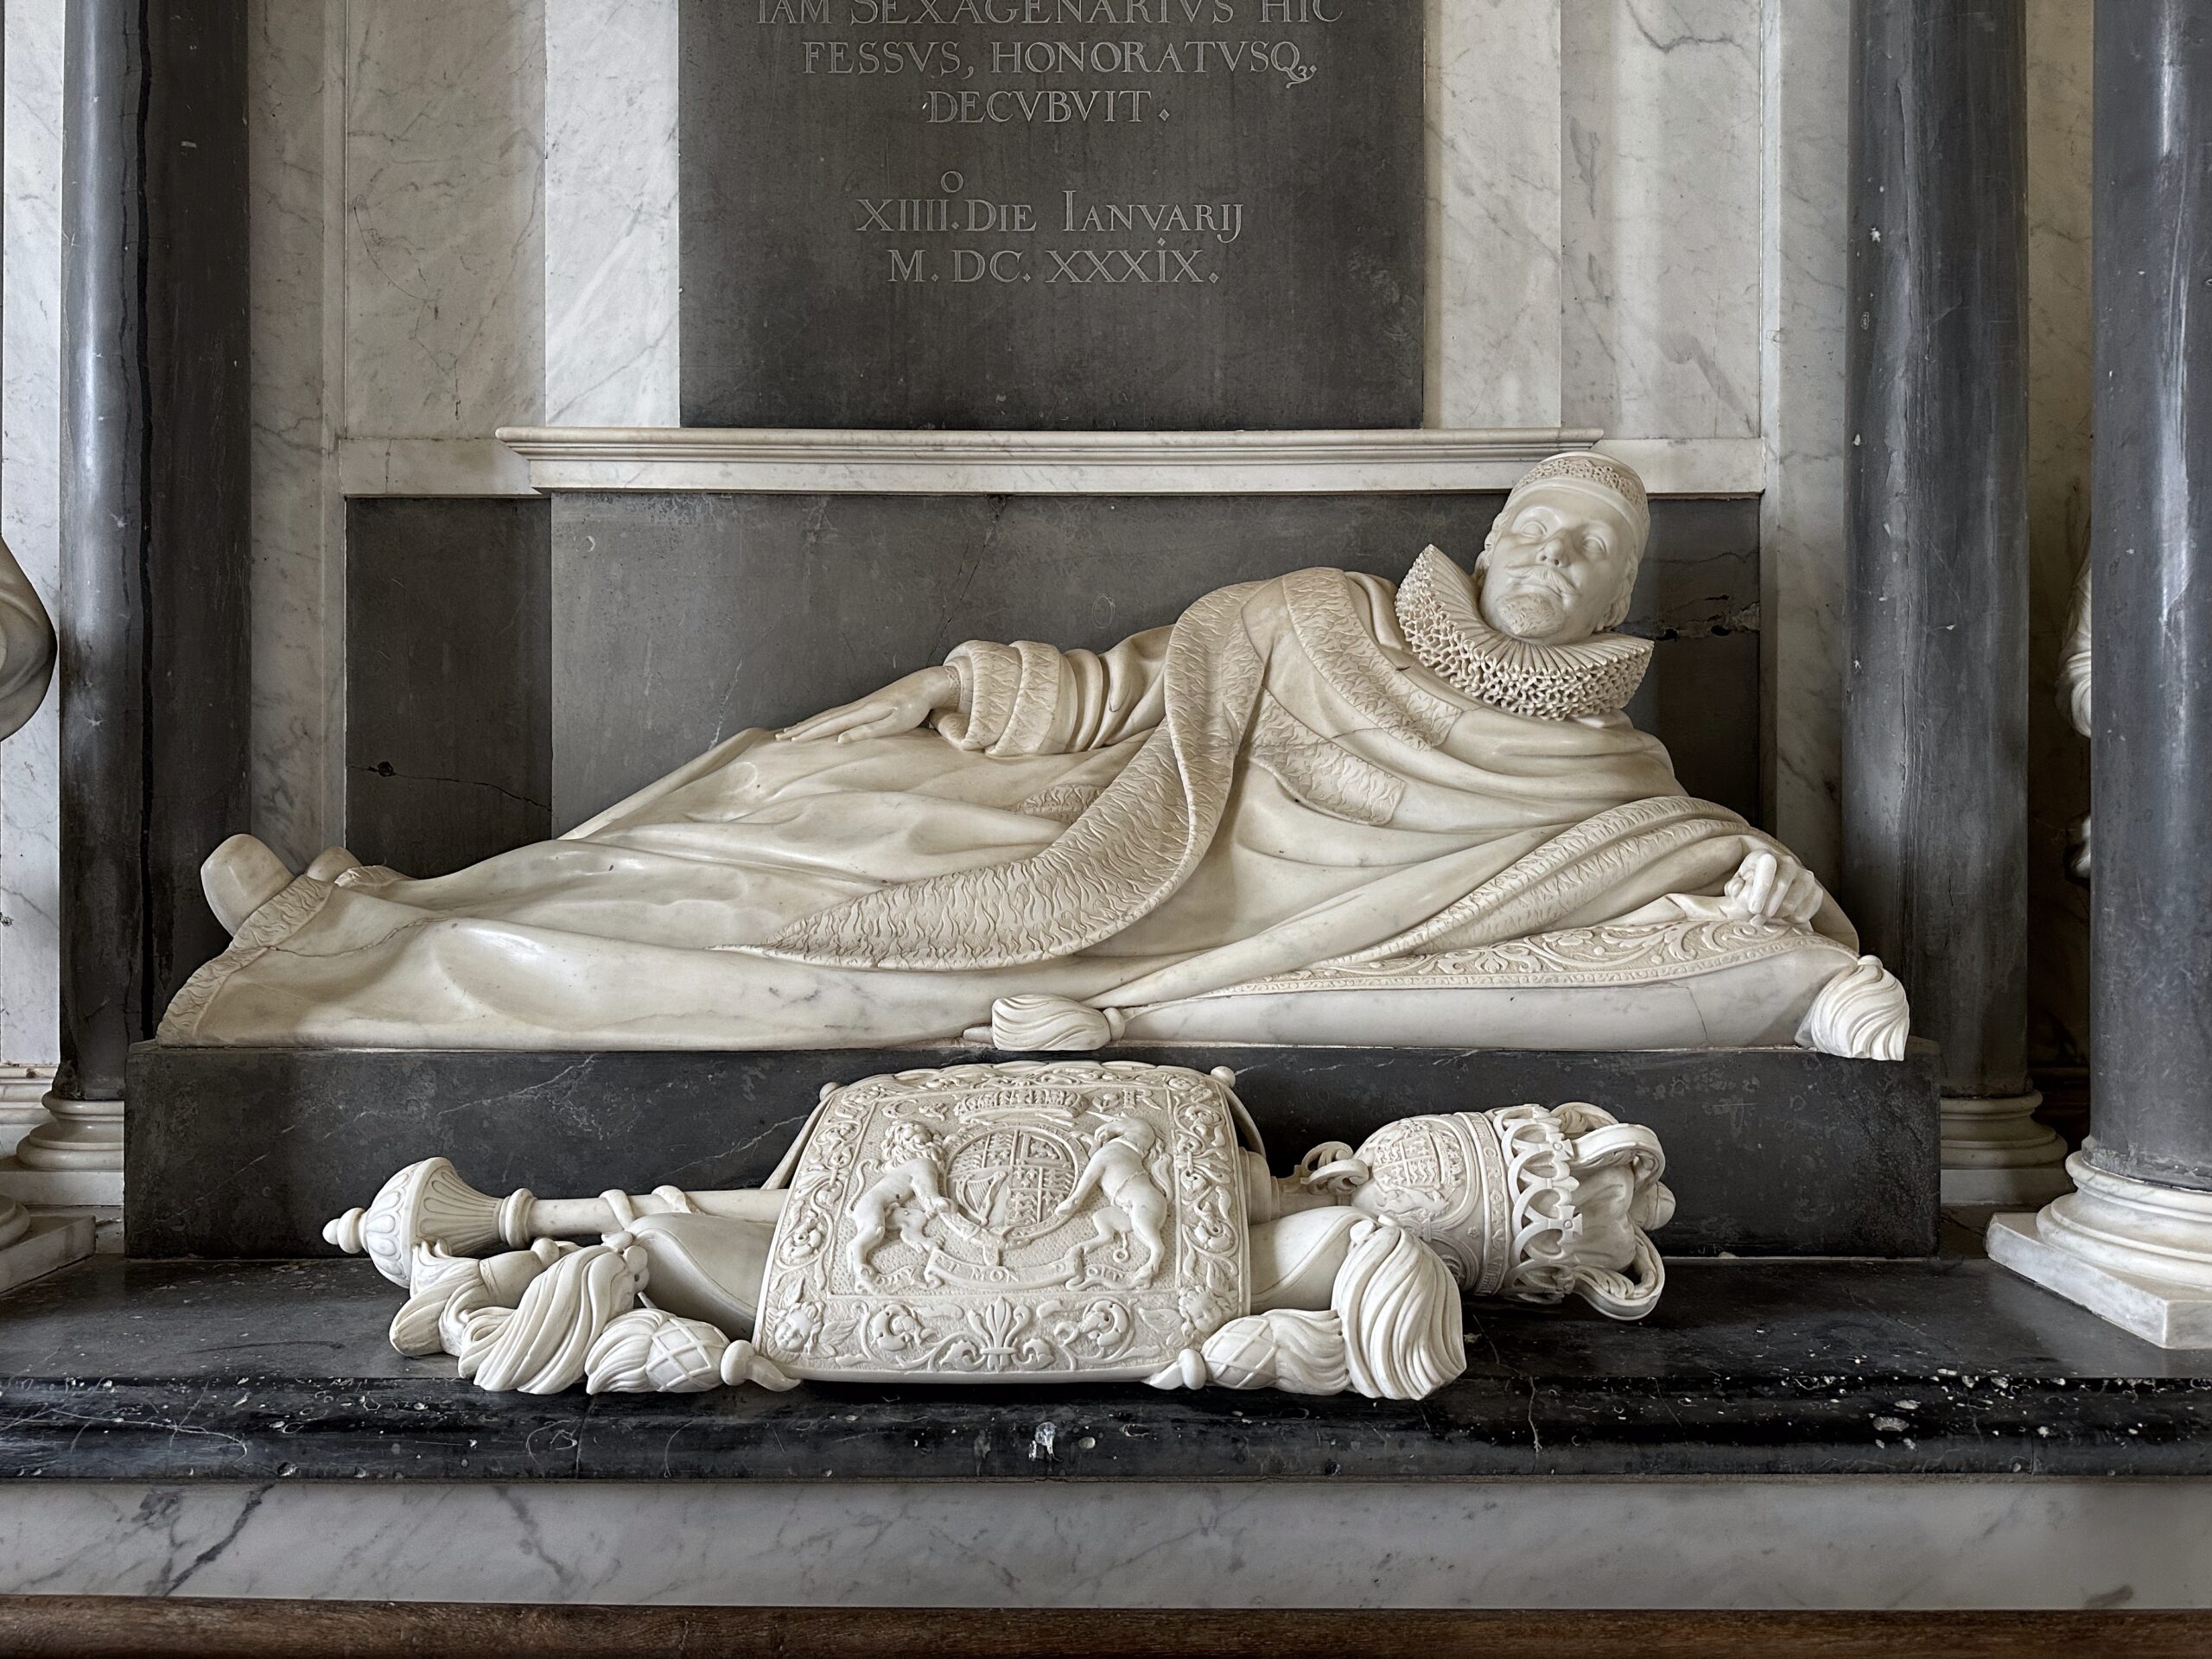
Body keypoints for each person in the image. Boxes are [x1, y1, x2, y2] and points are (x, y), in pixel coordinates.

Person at [163, 453, 1847, 1050]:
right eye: (1532, 525)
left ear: (1618, 602)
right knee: (770, 791)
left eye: (1586, 549)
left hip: (1183, 929)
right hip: (1098, 818)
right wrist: (985, 687)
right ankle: (377, 914)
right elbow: (1131, 687)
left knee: (768, 938)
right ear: (1482, 541)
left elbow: (1689, 879)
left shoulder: (1604, 784)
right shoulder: (1321, 610)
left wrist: (1755, 897)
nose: (1548, 554)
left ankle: (359, 973)